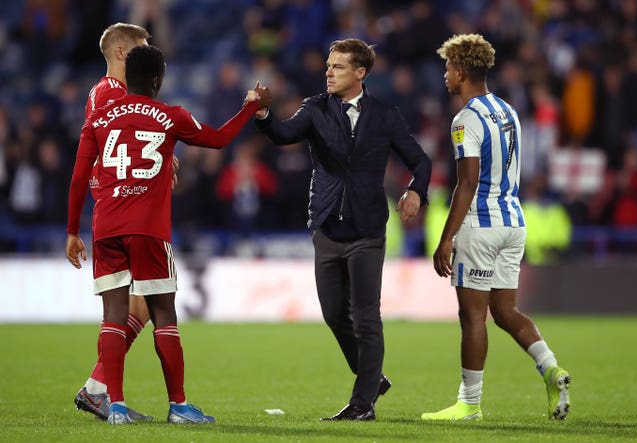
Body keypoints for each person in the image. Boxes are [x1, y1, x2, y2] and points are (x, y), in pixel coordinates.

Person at [66, 44, 270, 424]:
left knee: (112, 316)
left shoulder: (99, 118)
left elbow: (79, 177)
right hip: (147, 228)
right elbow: (219, 139)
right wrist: (250, 106)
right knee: (164, 316)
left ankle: (117, 407)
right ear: (159, 79)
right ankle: (178, 406)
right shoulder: (169, 116)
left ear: (126, 79)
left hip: (106, 226)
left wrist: (71, 231)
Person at [255, 38, 432, 421]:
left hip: (368, 229)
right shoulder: (315, 108)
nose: (328, 72)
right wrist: (264, 115)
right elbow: (284, 135)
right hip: (327, 228)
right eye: (328, 66)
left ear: (360, 73)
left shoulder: (385, 115)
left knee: (366, 316)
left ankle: (362, 402)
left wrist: (416, 190)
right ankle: (372, 378)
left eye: (337, 66)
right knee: (334, 314)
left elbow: (421, 162)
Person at [422, 34, 570, 421]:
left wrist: (447, 237)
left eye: (448, 69)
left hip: (481, 226)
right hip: (513, 222)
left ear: (460, 71)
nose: (445, 76)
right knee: (505, 312)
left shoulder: (464, 119)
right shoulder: (508, 110)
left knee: (472, 317)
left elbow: (467, 183)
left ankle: (469, 404)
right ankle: (551, 369)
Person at [73, 22, 168, 421]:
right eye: (141, 51)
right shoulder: (114, 92)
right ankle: (99, 391)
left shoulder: (102, 93)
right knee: (137, 305)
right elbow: (115, 139)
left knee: (139, 306)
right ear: (122, 55)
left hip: (116, 203)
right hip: (124, 207)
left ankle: (98, 388)